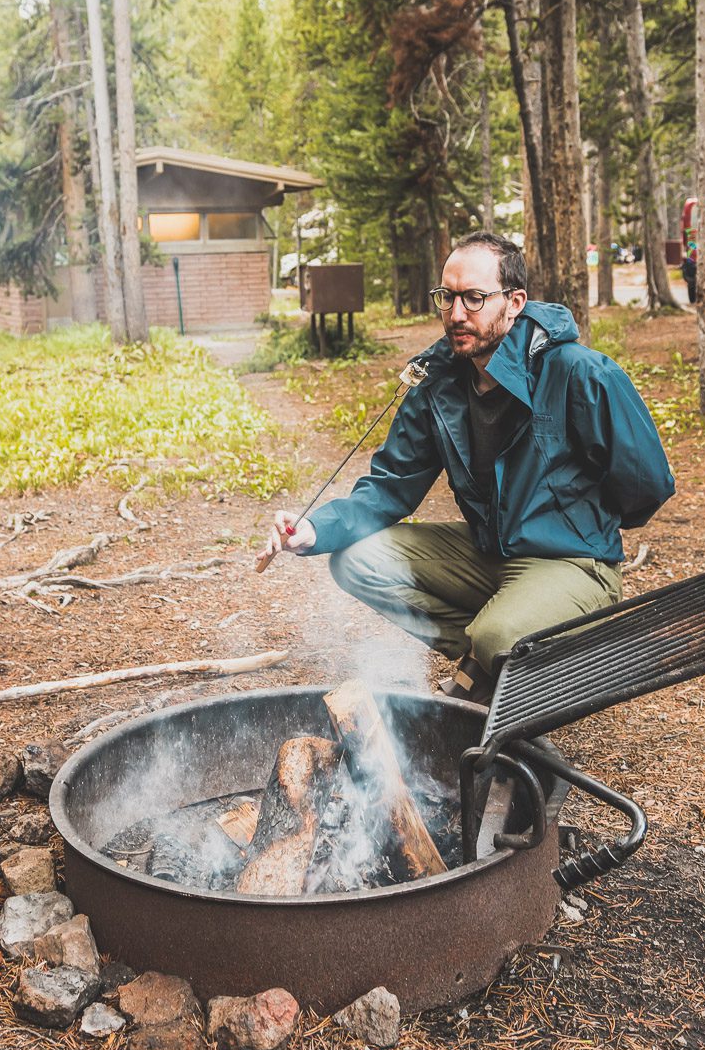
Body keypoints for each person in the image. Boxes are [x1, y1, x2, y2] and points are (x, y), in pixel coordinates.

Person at [261, 232, 675, 702]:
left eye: (475, 298)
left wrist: (579, 526)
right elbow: (392, 485)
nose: (456, 314)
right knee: (358, 560)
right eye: (447, 297)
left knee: (499, 636)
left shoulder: (580, 373)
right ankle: (498, 659)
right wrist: (315, 527)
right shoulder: (438, 383)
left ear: (514, 301)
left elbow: (647, 483)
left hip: (573, 562)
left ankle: (511, 651)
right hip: (490, 554)